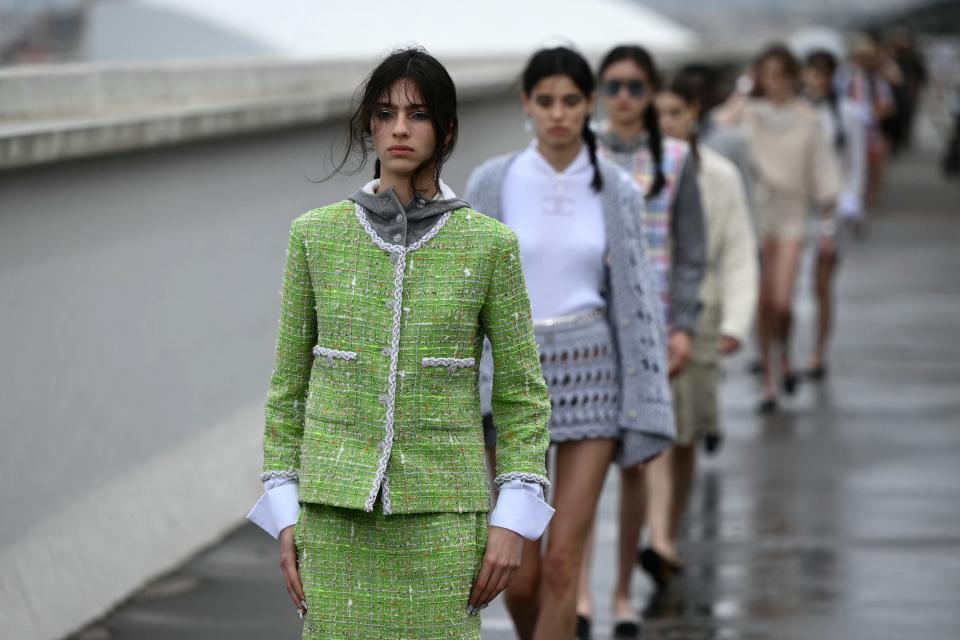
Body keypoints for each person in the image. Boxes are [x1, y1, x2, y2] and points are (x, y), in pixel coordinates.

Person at [245, 48, 555, 640]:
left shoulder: (489, 246)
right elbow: (287, 390)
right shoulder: (315, 236)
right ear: (369, 125)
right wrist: (285, 514)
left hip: (444, 518)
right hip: (334, 518)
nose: (400, 128)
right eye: (385, 113)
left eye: (417, 114)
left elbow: (522, 397)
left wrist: (512, 522)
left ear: (447, 129)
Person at [466, 46, 675, 640]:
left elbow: (637, 303)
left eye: (572, 101)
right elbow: (467, 293)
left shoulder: (617, 190)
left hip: (593, 380)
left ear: (590, 106)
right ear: (527, 105)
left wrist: (649, 399)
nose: (559, 114)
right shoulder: (493, 181)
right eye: (546, 101)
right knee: (520, 574)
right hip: (511, 387)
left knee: (563, 562)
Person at [581, 44, 706, 637]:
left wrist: (683, 325)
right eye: (613, 87)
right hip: (586, 329)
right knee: (573, 462)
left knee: (639, 457)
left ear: (651, 91)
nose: (624, 98)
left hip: (650, 331)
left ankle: (623, 593)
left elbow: (691, 253)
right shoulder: (578, 155)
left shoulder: (678, 159)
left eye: (635, 87)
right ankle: (579, 594)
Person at [640, 68, 758, 591]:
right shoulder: (631, 172)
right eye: (656, 113)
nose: (664, 123)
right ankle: (659, 537)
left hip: (701, 313)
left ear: (694, 116)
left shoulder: (721, 175)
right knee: (657, 432)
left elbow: (737, 250)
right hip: (646, 314)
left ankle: (667, 529)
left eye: (674, 113)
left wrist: (736, 320)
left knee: (685, 432)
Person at [716, 43, 840, 413]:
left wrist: (829, 228)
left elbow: (824, 178)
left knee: (783, 302)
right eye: (767, 75)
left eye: (782, 74)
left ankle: (783, 352)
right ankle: (769, 376)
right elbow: (713, 128)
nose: (776, 82)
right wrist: (742, 90)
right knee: (763, 301)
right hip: (755, 210)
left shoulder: (809, 119)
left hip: (792, 213)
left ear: (793, 77)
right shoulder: (749, 113)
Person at [802, 50, 867, 380]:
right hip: (798, 210)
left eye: (822, 73)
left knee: (822, 284)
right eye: (812, 73)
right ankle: (781, 353)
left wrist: (848, 206)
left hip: (831, 211)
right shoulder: (799, 113)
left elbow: (856, 164)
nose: (817, 80)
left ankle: (818, 351)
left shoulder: (848, 114)